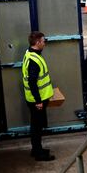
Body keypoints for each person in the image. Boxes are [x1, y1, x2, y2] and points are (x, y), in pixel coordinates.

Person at [22, 31, 55, 162]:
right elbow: (32, 82)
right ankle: (38, 153)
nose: (45, 43)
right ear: (37, 43)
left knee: (37, 125)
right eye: (43, 41)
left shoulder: (30, 54)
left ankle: (36, 149)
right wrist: (38, 101)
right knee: (36, 127)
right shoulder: (34, 60)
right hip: (37, 100)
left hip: (37, 99)